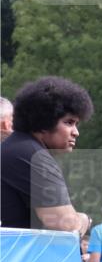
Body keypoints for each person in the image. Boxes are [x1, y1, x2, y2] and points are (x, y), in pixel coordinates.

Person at [1, 77, 93, 233]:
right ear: (44, 122)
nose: (76, 132)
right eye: (69, 122)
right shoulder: (31, 155)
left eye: (76, 124)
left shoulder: (15, 148)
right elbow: (66, 226)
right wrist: (85, 219)